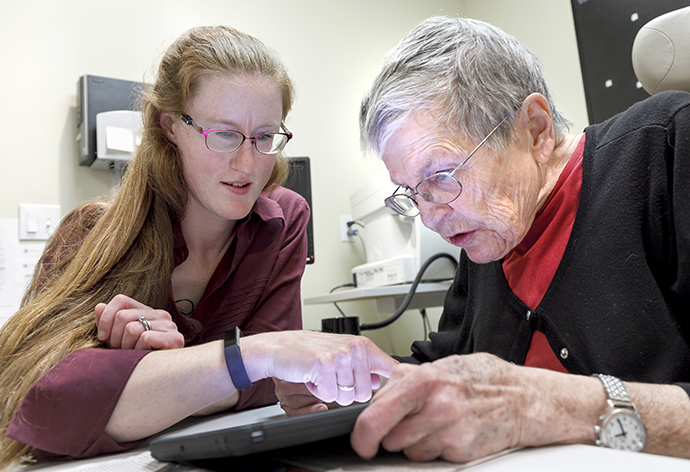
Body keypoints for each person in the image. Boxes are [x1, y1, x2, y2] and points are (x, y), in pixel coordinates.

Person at [277, 15, 690, 463]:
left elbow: (509, 396)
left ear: (535, 130)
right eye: (413, 192)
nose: (431, 219)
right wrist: (350, 385)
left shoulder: (665, 148)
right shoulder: (488, 236)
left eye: (442, 174)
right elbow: (445, 369)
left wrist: (545, 405)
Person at [0, 25, 395, 470]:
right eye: (224, 134)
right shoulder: (92, 235)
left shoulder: (283, 220)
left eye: (265, 136)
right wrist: (253, 357)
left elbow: (273, 388)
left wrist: (166, 376)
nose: (248, 164)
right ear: (170, 126)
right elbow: (33, 400)